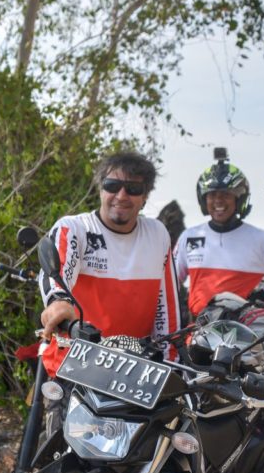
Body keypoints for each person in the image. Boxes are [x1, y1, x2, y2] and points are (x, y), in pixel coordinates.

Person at [39, 151, 181, 352]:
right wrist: (58, 301)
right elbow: (56, 277)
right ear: (100, 189)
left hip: (135, 364)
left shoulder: (157, 234)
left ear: (145, 196)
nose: (121, 196)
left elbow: (166, 312)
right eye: (112, 186)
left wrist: (171, 360)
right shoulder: (73, 228)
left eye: (133, 188)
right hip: (74, 355)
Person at [174, 149, 264, 319]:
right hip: (198, 332)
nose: (218, 200)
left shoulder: (261, 239)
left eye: (225, 194)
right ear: (203, 199)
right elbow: (170, 281)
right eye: (212, 194)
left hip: (247, 334)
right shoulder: (190, 237)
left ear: (239, 199)